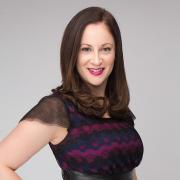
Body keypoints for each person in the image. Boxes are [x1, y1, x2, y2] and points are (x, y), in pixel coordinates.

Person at [0, 6, 144, 180]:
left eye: (106, 49)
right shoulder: (58, 109)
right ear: (72, 54)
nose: (97, 60)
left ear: (116, 53)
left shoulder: (119, 110)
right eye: (86, 49)